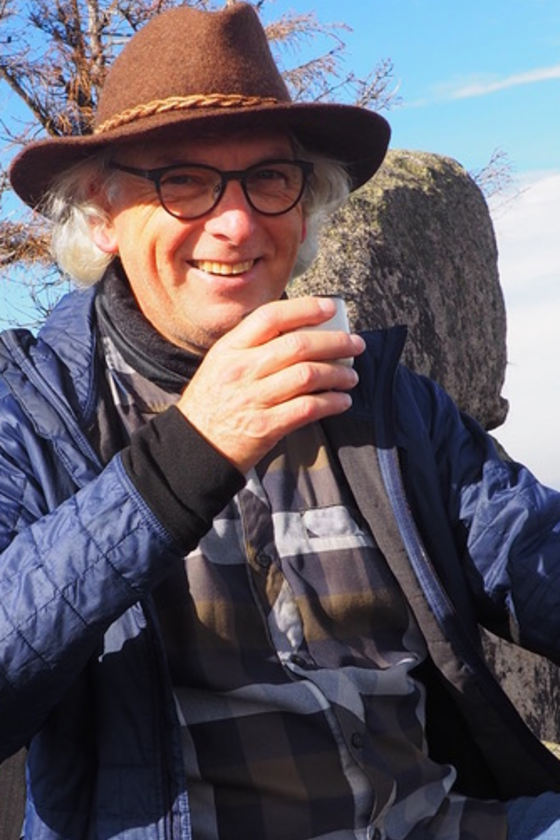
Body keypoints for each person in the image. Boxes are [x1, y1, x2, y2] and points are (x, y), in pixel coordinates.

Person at [3, 4, 560, 839]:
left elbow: (531, 555)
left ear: (306, 207)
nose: (236, 222)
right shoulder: (32, 409)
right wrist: (187, 457)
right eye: (181, 179)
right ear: (106, 213)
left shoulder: (380, 398)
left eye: (269, 177)